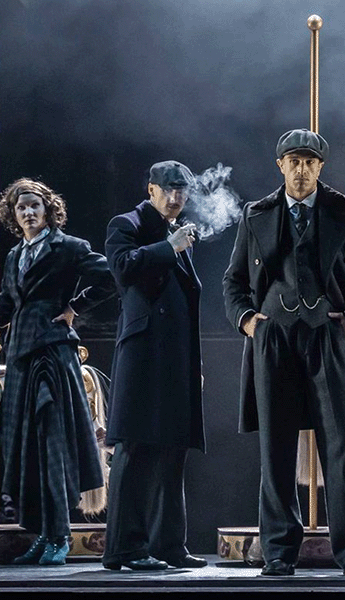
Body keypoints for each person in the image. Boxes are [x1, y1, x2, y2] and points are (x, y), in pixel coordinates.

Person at [223, 129, 345, 576]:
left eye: (310, 162)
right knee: (275, 448)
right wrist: (247, 320)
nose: (301, 170)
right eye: (293, 161)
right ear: (279, 165)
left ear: (321, 167)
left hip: (332, 339)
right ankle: (279, 552)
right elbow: (233, 281)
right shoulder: (255, 213)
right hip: (275, 339)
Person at [0, 178, 113, 566]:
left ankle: (60, 537)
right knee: (30, 450)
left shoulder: (70, 247)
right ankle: (44, 535)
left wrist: (74, 309)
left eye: (34, 205)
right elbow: (2, 312)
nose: (28, 213)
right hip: (20, 359)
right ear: (13, 216)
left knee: (52, 447)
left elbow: (109, 277)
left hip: (52, 355)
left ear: (47, 209)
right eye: (21, 208)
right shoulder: (15, 256)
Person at [102, 161, 206, 570]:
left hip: (174, 358)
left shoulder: (173, 232)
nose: (177, 197)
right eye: (169, 189)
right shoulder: (126, 224)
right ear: (151, 189)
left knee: (172, 450)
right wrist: (170, 247)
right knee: (137, 449)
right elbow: (123, 268)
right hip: (144, 355)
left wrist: (192, 363)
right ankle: (125, 549)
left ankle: (168, 545)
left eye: (183, 191)